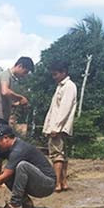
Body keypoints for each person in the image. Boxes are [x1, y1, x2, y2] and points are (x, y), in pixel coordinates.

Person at [0, 124, 56, 208]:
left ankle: (15, 204)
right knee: (10, 172)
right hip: (37, 181)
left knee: (21, 167)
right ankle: (26, 203)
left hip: (47, 185)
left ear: (5, 138)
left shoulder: (18, 150)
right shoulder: (7, 147)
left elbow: (4, 177)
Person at [42, 60, 77, 192]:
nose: (54, 77)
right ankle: (63, 182)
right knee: (61, 155)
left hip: (58, 127)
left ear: (63, 72)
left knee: (57, 155)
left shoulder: (68, 86)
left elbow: (64, 109)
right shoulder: (61, 86)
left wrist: (55, 127)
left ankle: (57, 183)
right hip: (57, 126)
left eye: (56, 74)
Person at [0, 57, 35, 123]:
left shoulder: (12, 79)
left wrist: (18, 104)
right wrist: (20, 98)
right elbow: (5, 91)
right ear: (20, 66)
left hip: (3, 118)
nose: (24, 75)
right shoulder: (5, 75)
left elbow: (5, 98)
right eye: (25, 72)